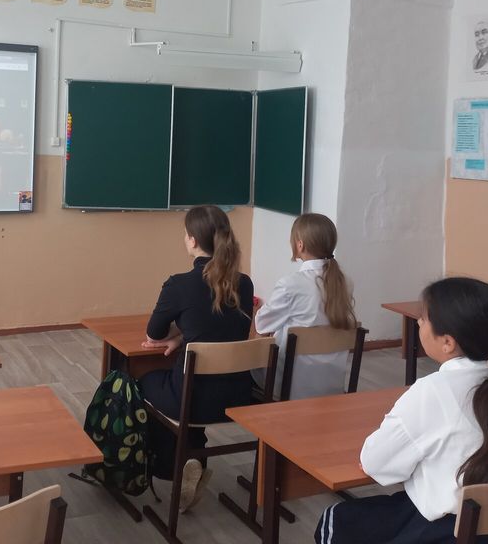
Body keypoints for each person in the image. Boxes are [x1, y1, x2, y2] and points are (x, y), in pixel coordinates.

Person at [316, 277, 488, 544]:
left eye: (424, 319)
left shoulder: (433, 390)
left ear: (448, 342)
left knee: (335, 521)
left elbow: (374, 462)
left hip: (456, 531)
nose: (418, 323)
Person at [139, 205, 253, 510]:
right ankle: (194, 460)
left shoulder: (179, 285)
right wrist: (182, 337)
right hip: (238, 396)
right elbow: (225, 330)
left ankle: (169, 466)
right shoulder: (244, 284)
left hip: (190, 399)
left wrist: (176, 335)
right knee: (194, 384)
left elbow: (153, 334)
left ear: (192, 240)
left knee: (140, 380)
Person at [252, 213, 357, 399]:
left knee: (251, 351)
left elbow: (262, 324)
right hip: (331, 383)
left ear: (300, 245)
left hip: (291, 386)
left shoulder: (290, 284)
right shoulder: (345, 282)